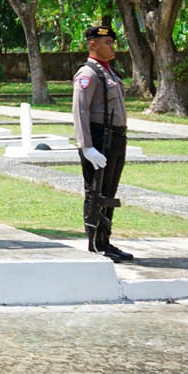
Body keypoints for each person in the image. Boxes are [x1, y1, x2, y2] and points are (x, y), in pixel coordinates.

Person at [73, 24, 133, 263]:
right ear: (92, 45)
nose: (111, 46)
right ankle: (95, 242)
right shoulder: (88, 74)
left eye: (112, 42)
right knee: (96, 191)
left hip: (116, 137)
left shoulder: (109, 72)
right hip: (99, 137)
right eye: (106, 42)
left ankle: (105, 239)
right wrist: (86, 146)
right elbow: (80, 111)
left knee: (109, 192)